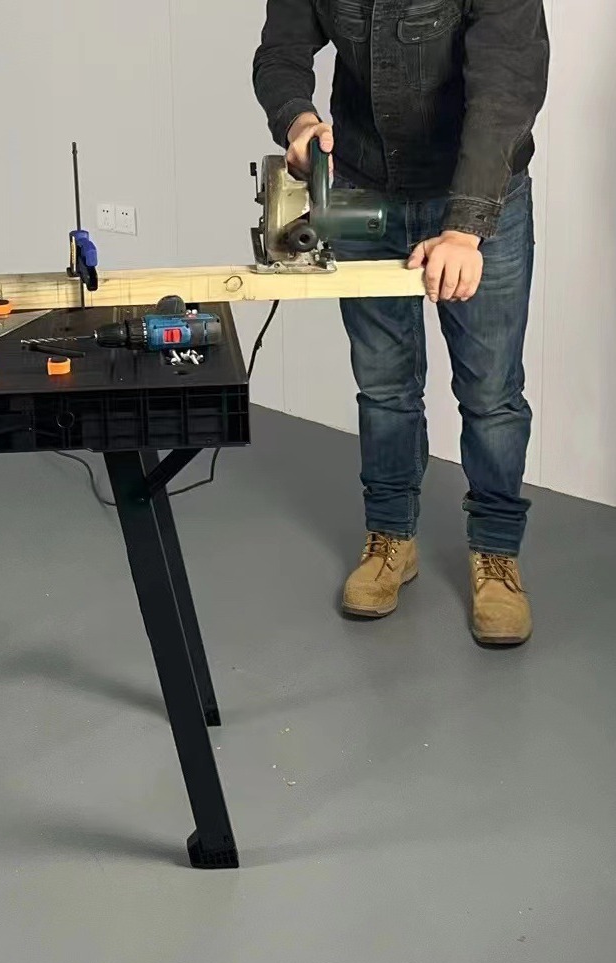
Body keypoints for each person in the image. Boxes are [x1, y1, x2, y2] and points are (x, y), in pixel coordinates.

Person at [253, 0, 549, 646]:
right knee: (384, 383)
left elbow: (507, 82)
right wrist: (297, 120)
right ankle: (391, 536)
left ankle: (496, 553)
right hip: (364, 186)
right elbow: (280, 51)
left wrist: (464, 228)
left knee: (491, 392)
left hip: (477, 191)